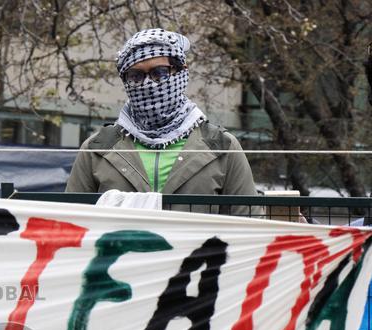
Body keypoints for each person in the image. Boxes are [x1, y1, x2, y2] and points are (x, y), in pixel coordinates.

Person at [66, 29, 256, 212]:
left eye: (160, 72)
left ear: (181, 71)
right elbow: (71, 224)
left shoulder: (221, 146)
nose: (148, 83)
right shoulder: (98, 148)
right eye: (136, 76)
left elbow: (249, 223)